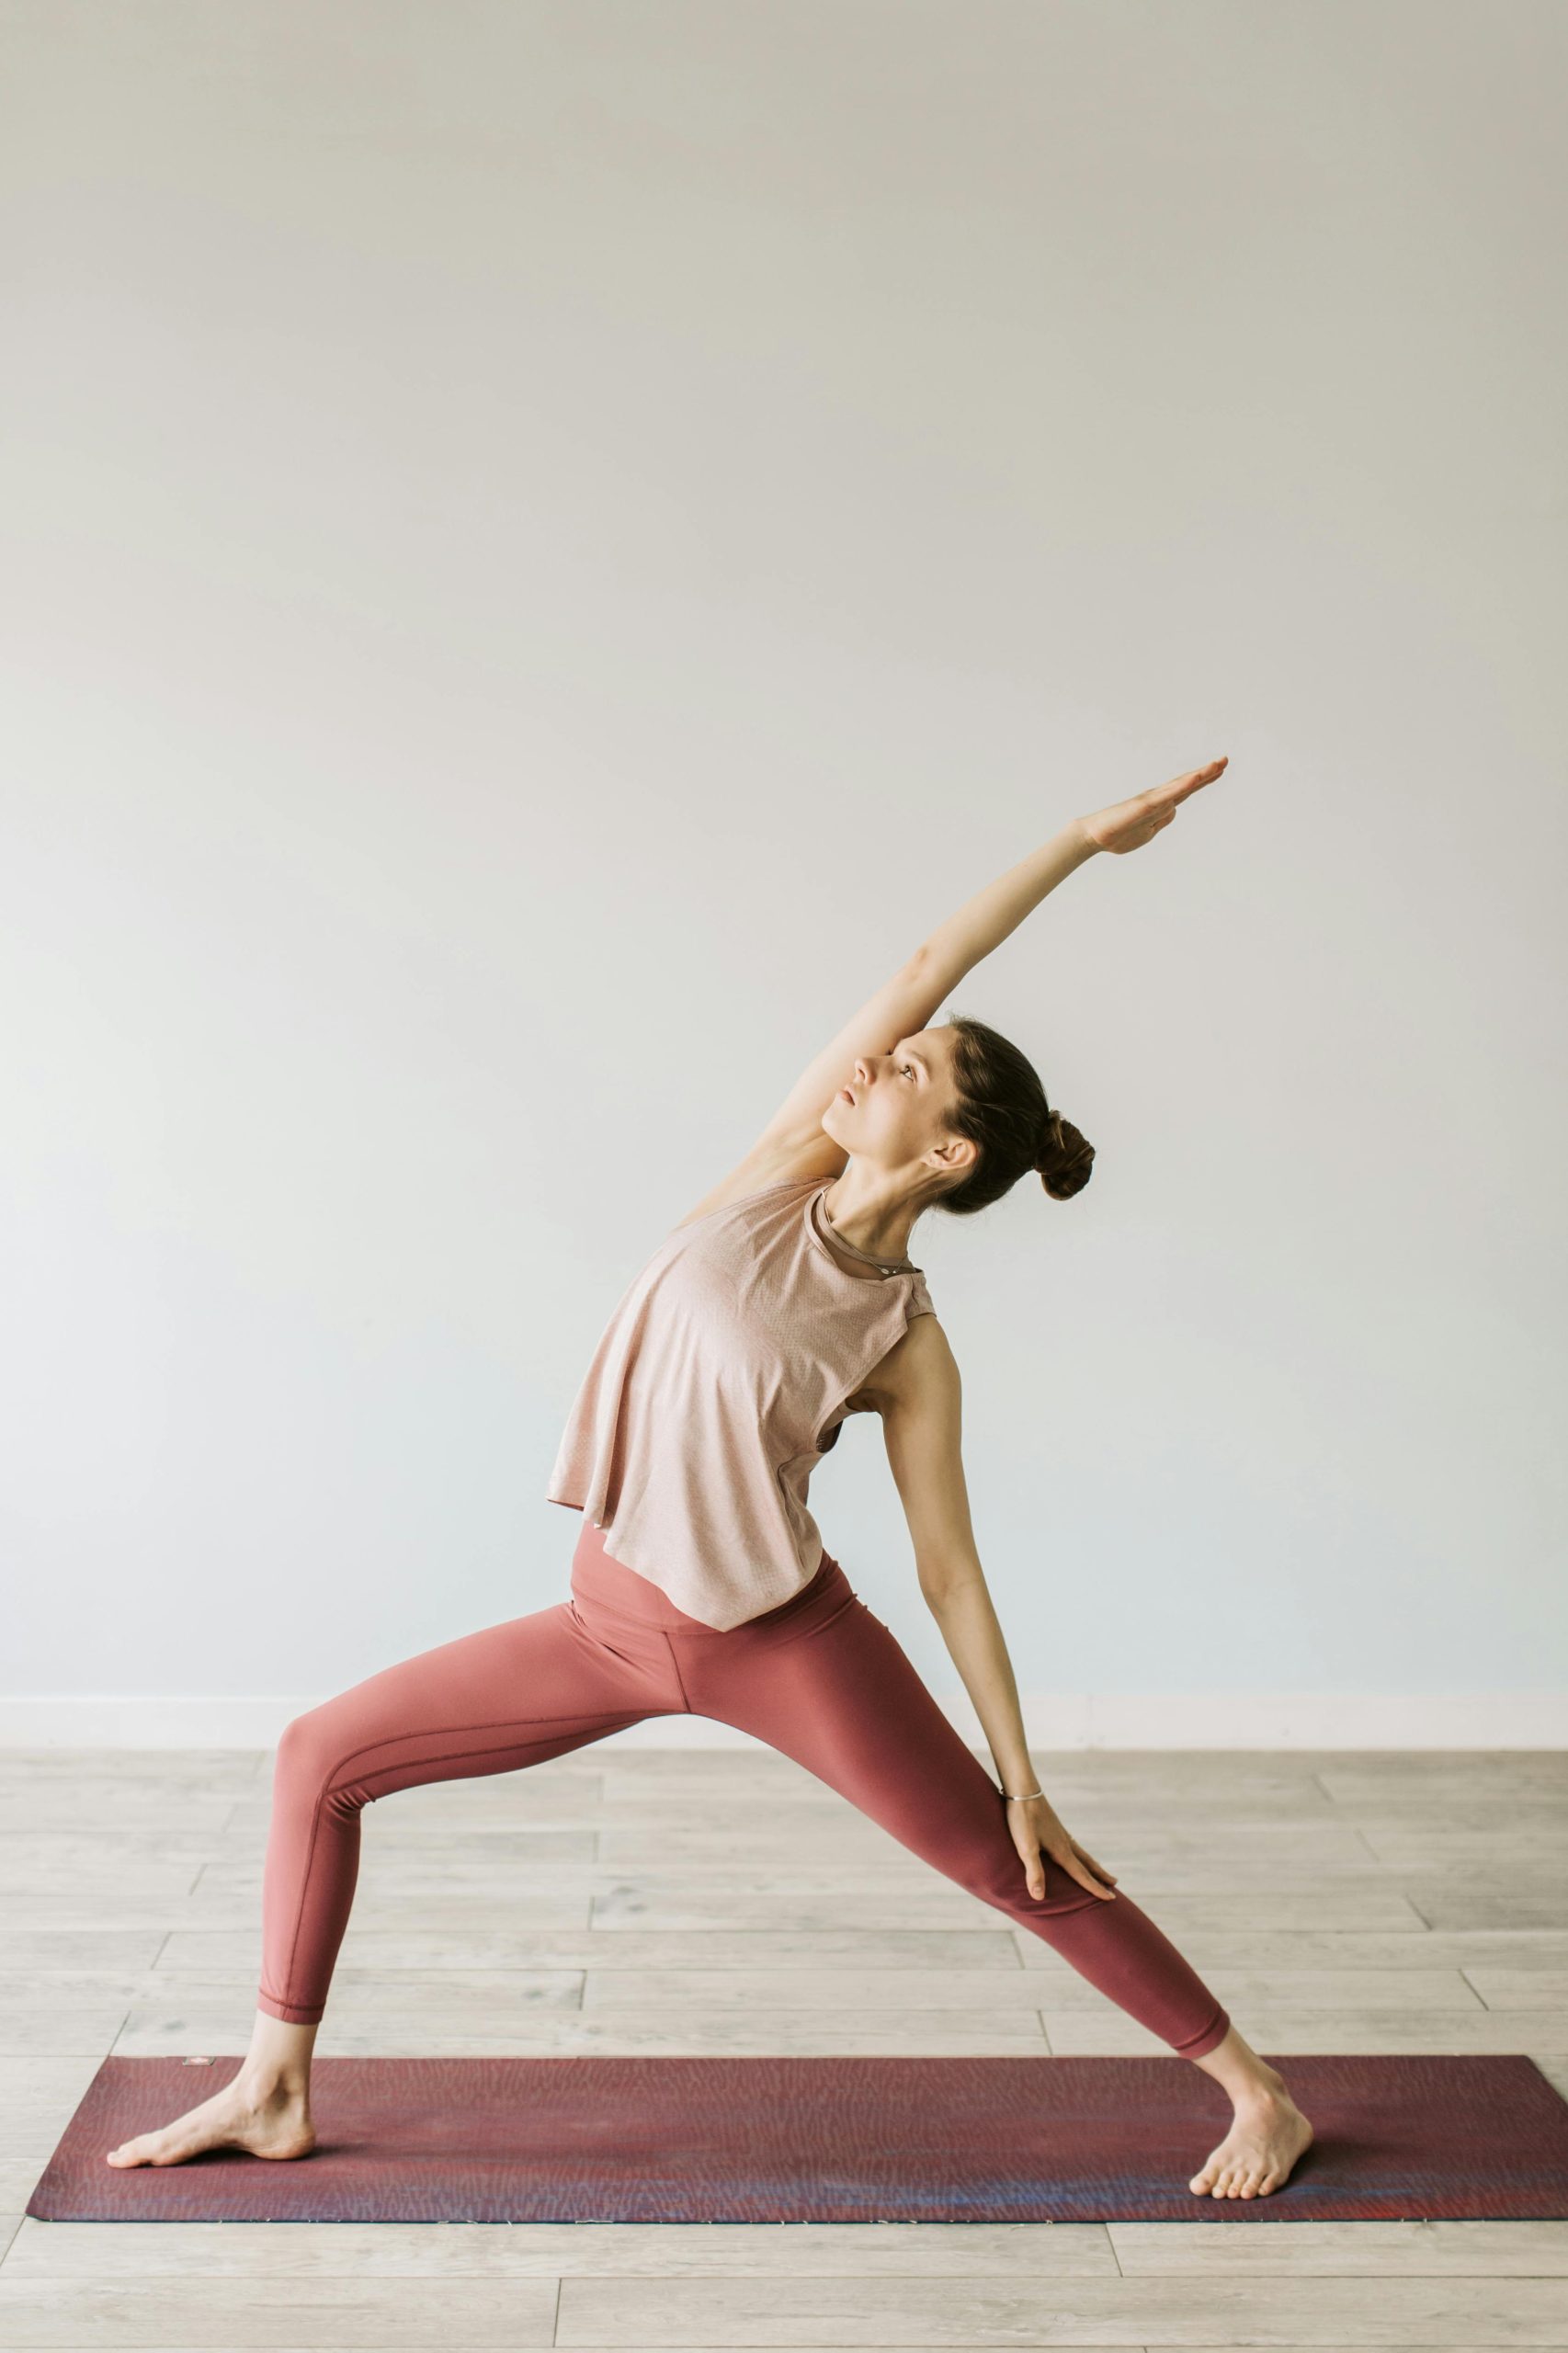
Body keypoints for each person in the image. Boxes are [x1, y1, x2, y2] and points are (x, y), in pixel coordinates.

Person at [108, 757, 1313, 2200]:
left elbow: (949, 1571)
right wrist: (1078, 841)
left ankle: (1257, 2093)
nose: (886, 1056)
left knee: (1013, 1862)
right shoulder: (773, 1176)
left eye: (918, 1068)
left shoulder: (906, 1343)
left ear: (945, 1153)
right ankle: (273, 2088)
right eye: (900, 1045)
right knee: (318, 1757)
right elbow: (935, 956)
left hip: (778, 1647)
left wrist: (1022, 1773)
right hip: (600, 1626)